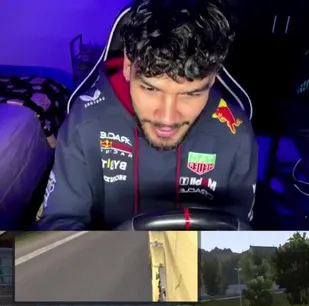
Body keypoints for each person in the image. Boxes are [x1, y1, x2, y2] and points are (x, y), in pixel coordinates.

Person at [37, 0, 257, 230]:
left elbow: (238, 234)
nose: (167, 118)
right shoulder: (84, 123)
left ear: (212, 78)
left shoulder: (236, 135)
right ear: (128, 66)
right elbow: (59, 226)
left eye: (191, 94)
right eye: (151, 89)